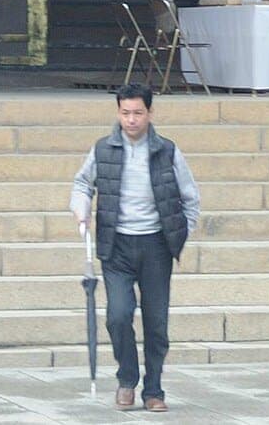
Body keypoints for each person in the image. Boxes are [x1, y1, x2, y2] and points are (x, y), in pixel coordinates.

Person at [70, 85, 202, 413]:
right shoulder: (103, 149)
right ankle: (127, 379)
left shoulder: (167, 151)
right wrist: (81, 206)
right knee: (118, 315)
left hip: (156, 245)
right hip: (116, 245)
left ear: (150, 113)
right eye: (125, 113)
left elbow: (190, 197)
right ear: (118, 113)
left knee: (156, 322)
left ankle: (154, 389)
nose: (131, 119)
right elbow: (83, 183)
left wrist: (179, 234)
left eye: (138, 113)